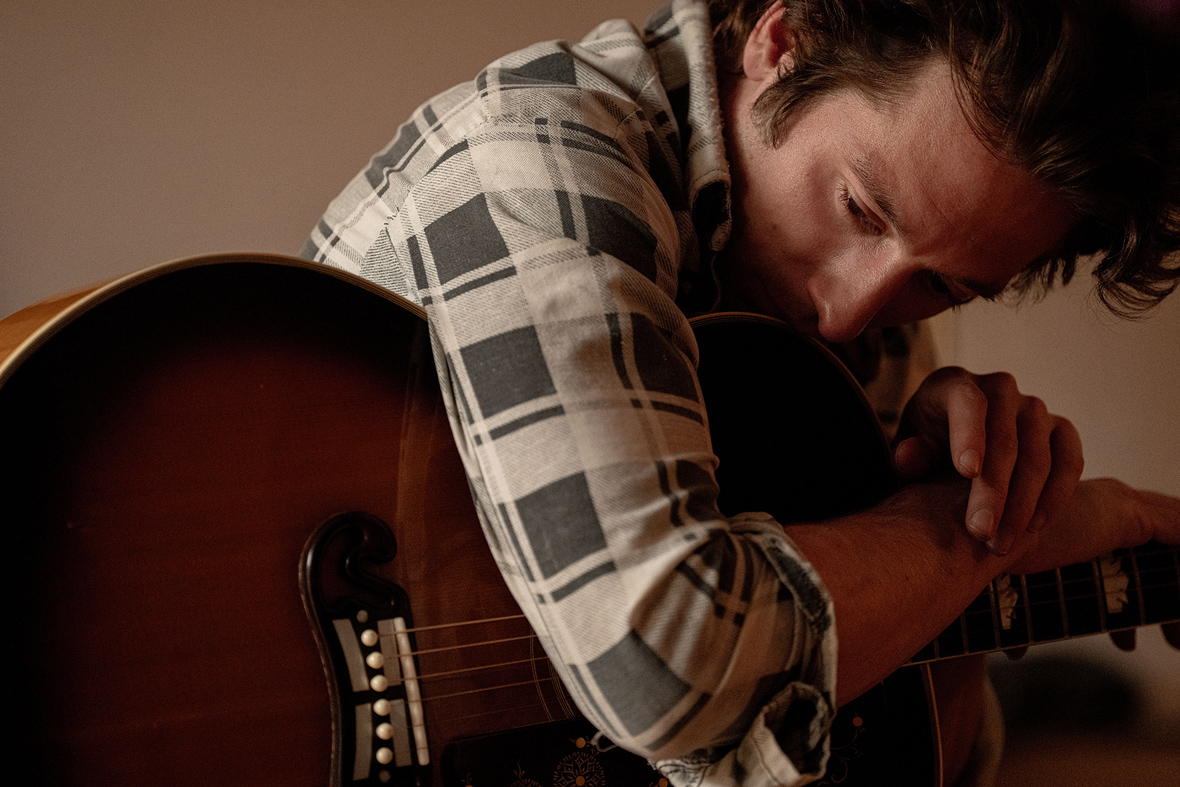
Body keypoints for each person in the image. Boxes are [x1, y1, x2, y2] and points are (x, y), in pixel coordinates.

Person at [302, 1, 1180, 784]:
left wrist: (964, 507)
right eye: (863, 210)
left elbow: (907, 755)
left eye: (942, 286)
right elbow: (667, 664)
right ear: (782, 38)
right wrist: (976, 537)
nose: (849, 313)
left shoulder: (860, 317)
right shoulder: (538, 154)